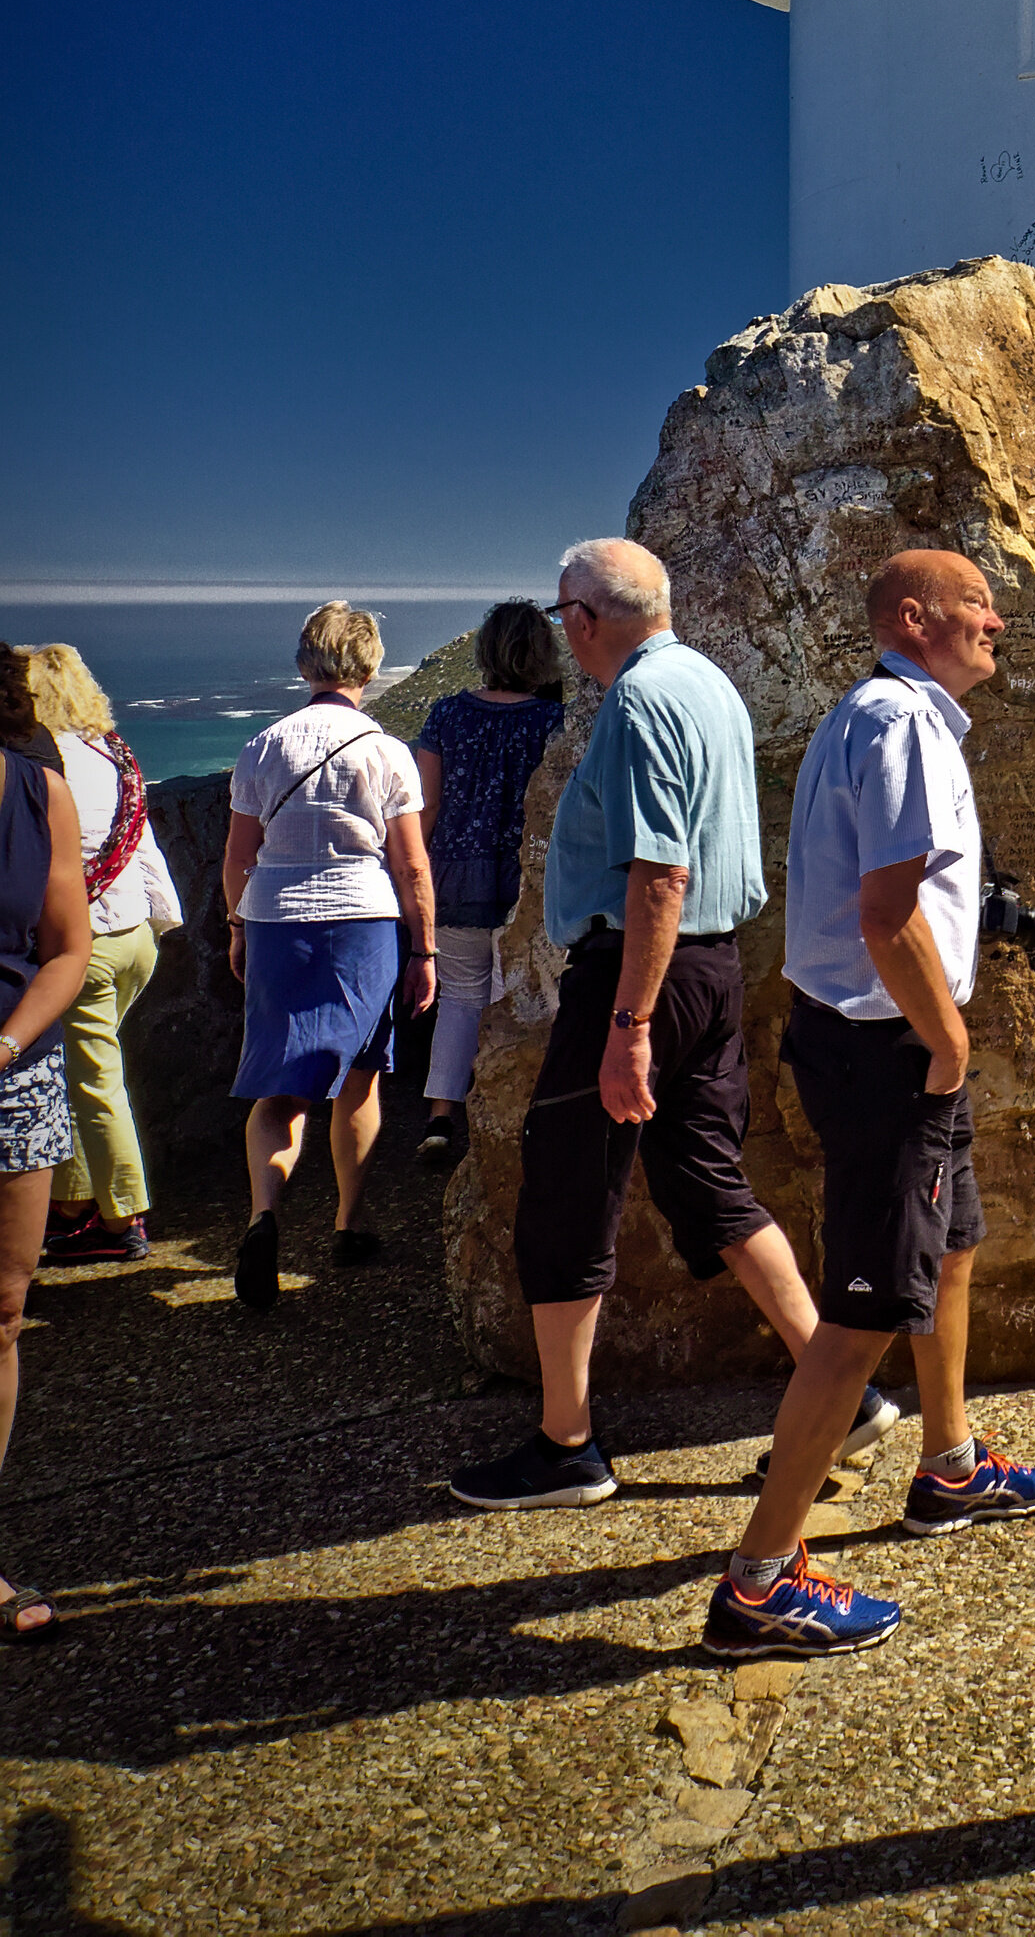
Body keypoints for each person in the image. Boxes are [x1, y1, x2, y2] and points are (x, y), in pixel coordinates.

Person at [449, 540, 896, 1513]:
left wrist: (627, 1023)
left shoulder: (644, 700)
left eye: (565, 613)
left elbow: (660, 872)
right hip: (712, 967)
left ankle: (567, 1445)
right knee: (705, 1178)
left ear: (581, 619)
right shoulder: (708, 683)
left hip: (638, 970)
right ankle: (845, 1388)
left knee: (566, 1185)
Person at [701, 549, 1035, 1662]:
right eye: (976, 608)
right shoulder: (902, 724)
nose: (997, 621)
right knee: (862, 1311)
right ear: (915, 619)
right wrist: (948, 1039)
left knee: (947, 1244)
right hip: (889, 1048)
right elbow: (885, 907)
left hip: (875, 1037)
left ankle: (948, 1467)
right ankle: (759, 1580)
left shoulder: (875, 714)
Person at [223, 603, 439, 1309]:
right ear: (371, 668)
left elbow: (238, 855)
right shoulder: (385, 751)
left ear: (303, 663)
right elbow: (410, 866)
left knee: (277, 1087)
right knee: (361, 1077)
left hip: (277, 920)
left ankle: (264, 1215)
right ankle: (349, 1223)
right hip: (364, 921)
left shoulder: (262, 746)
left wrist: (236, 928)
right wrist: (425, 950)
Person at [21, 644, 184, 1264]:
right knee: (82, 1069)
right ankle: (72, 1203)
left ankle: (123, 1220)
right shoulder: (113, 755)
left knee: (93, 1080)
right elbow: (141, 847)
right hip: (134, 936)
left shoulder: (42, 764)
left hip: (81, 945)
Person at [0, 646, 93, 1637]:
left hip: (13, 1074)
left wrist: (9, 1040)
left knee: (3, 1310)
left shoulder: (38, 791)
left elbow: (67, 944)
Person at [412, 601, 565, 1168]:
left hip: (452, 874)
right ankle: (503, 1114)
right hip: (526, 878)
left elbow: (424, 807)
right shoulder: (553, 721)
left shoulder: (446, 715)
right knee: (512, 995)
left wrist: (412, 876)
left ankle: (440, 1119)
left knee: (459, 998)